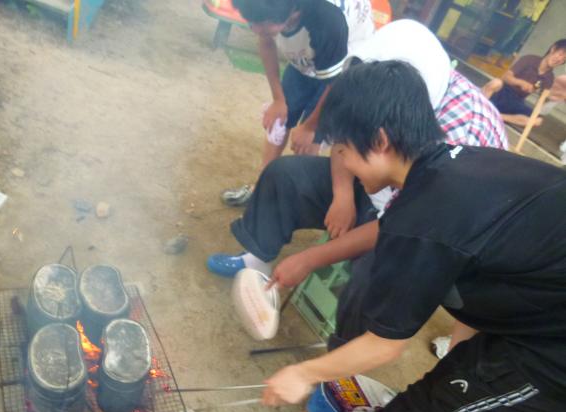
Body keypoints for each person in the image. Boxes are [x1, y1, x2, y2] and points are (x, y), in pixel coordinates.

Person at [261, 60, 566, 412]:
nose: (343, 163)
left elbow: (386, 344)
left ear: (380, 140)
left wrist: (303, 373)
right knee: (447, 396)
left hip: (555, 363)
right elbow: (422, 233)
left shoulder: (424, 214)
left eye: (344, 151)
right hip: (545, 315)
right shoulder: (459, 163)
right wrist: (313, 258)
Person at [207, 20, 507, 283]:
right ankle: (255, 260)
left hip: (423, 223)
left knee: (380, 270)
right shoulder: (378, 78)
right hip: (378, 180)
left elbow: (401, 221)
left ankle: (355, 336)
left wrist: (312, 257)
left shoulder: (455, 147)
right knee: (286, 174)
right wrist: (343, 195)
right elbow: (346, 137)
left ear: (383, 138)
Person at [221, 0, 374, 207]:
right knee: (279, 122)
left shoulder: (327, 20)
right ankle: (262, 187)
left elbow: (335, 84)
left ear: (293, 13)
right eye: (251, 23)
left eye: (263, 24)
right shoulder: (271, 12)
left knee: (308, 142)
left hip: (342, 61)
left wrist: (311, 127)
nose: (256, 29)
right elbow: (265, 41)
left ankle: (287, 199)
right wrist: (278, 100)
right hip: (307, 55)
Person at [483, 38, 566, 128]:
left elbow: (541, 102)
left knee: (538, 120)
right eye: (560, 54)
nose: (559, 59)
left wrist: (554, 99)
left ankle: (497, 116)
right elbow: (506, 77)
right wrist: (520, 83)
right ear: (553, 49)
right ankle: (480, 107)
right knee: (496, 82)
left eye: (564, 59)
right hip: (502, 92)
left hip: (517, 101)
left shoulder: (550, 78)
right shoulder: (530, 59)